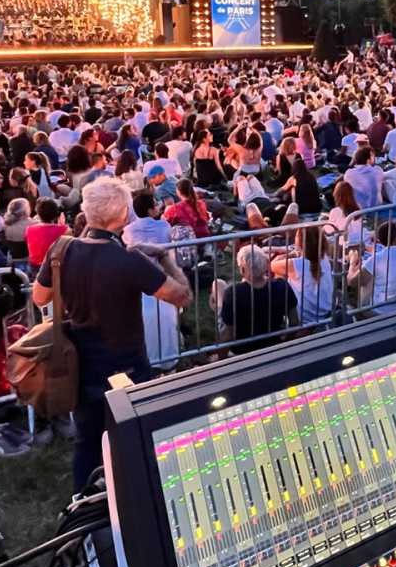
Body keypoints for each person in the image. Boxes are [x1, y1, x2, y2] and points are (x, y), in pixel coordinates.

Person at [30, 177, 191, 486]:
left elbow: (39, 298)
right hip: (127, 365)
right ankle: (137, 498)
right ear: (122, 216)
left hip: (80, 363)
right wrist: (165, 259)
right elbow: (182, 295)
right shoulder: (129, 260)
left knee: (87, 443)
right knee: (135, 435)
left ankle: (85, 508)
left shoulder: (62, 249)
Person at [214, 244, 298, 355]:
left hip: (242, 352)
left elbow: (227, 335)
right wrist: (284, 343)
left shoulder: (233, 293)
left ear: (242, 269)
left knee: (218, 285)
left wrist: (221, 359)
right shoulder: (282, 286)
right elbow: (295, 322)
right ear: (266, 265)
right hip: (274, 345)